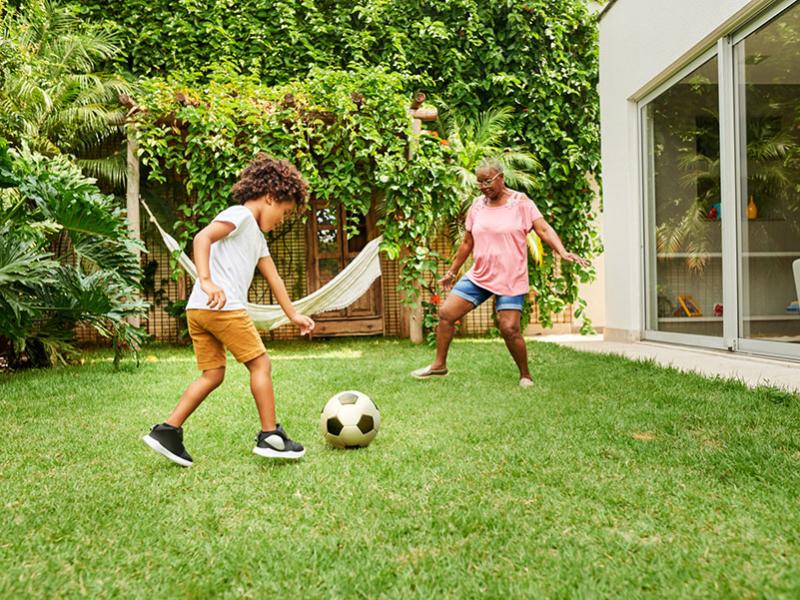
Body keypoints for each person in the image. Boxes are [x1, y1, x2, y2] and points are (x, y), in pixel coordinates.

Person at [143, 154, 316, 466]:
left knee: (213, 374)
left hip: (199, 310)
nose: (283, 219)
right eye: (285, 212)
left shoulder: (257, 238)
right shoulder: (241, 216)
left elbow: (274, 278)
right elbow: (202, 237)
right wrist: (206, 280)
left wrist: (293, 314)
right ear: (270, 197)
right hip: (221, 307)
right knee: (261, 364)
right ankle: (270, 436)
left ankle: (168, 431)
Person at [411, 158, 589, 387]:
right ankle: (439, 365)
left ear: (501, 177)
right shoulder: (477, 205)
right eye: (480, 182)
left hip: (510, 277)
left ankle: (525, 374)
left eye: (488, 181)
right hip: (480, 275)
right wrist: (453, 271)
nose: (484, 186)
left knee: (509, 328)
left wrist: (562, 252)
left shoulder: (521, 202)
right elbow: (467, 242)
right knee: (446, 314)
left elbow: (543, 228)